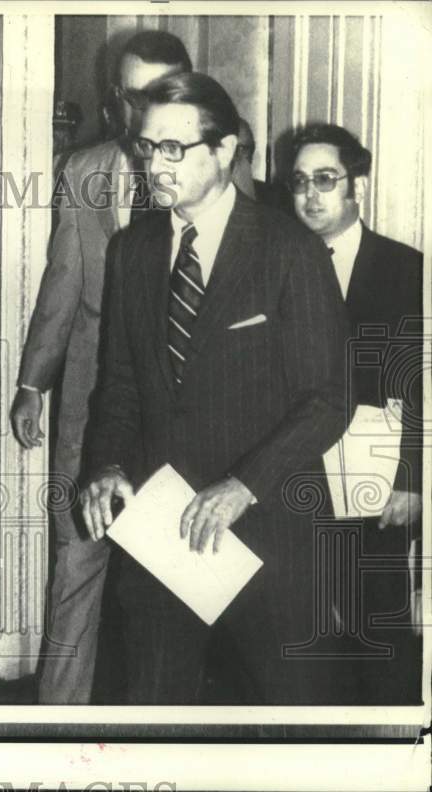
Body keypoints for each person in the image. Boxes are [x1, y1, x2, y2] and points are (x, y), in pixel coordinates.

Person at [80, 72, 351, 704]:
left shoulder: (289, 249)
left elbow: (328, 398)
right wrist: (106, 464)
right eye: (148, 147)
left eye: (175, 148)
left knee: (293, 723)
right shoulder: (132, 251)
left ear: (225, 149)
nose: (155, 165)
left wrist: (242, 486)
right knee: (155, 717)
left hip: (269, 533)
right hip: (162, 531)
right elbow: (118, 385)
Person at [11, 31, 192, 704]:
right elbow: (63, 283)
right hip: (91, 402)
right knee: (77, 562)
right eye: (135, 94)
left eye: (163, 93)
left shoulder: (215, 171)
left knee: (173, 578)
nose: (148, 110)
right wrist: (32, 383)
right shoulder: (84, 171)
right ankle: (56, 725)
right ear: (116, 99)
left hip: (179, 409)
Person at [290, 122, 423, 703]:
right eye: (299, 181)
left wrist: (413, 479)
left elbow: (422, 385)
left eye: (325, 179)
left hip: (375, 477)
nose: (310, 194)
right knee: (293, 635)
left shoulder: (405, 269)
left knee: (380, 628)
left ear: (356, 186)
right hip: (288, 475)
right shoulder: (269, 266)